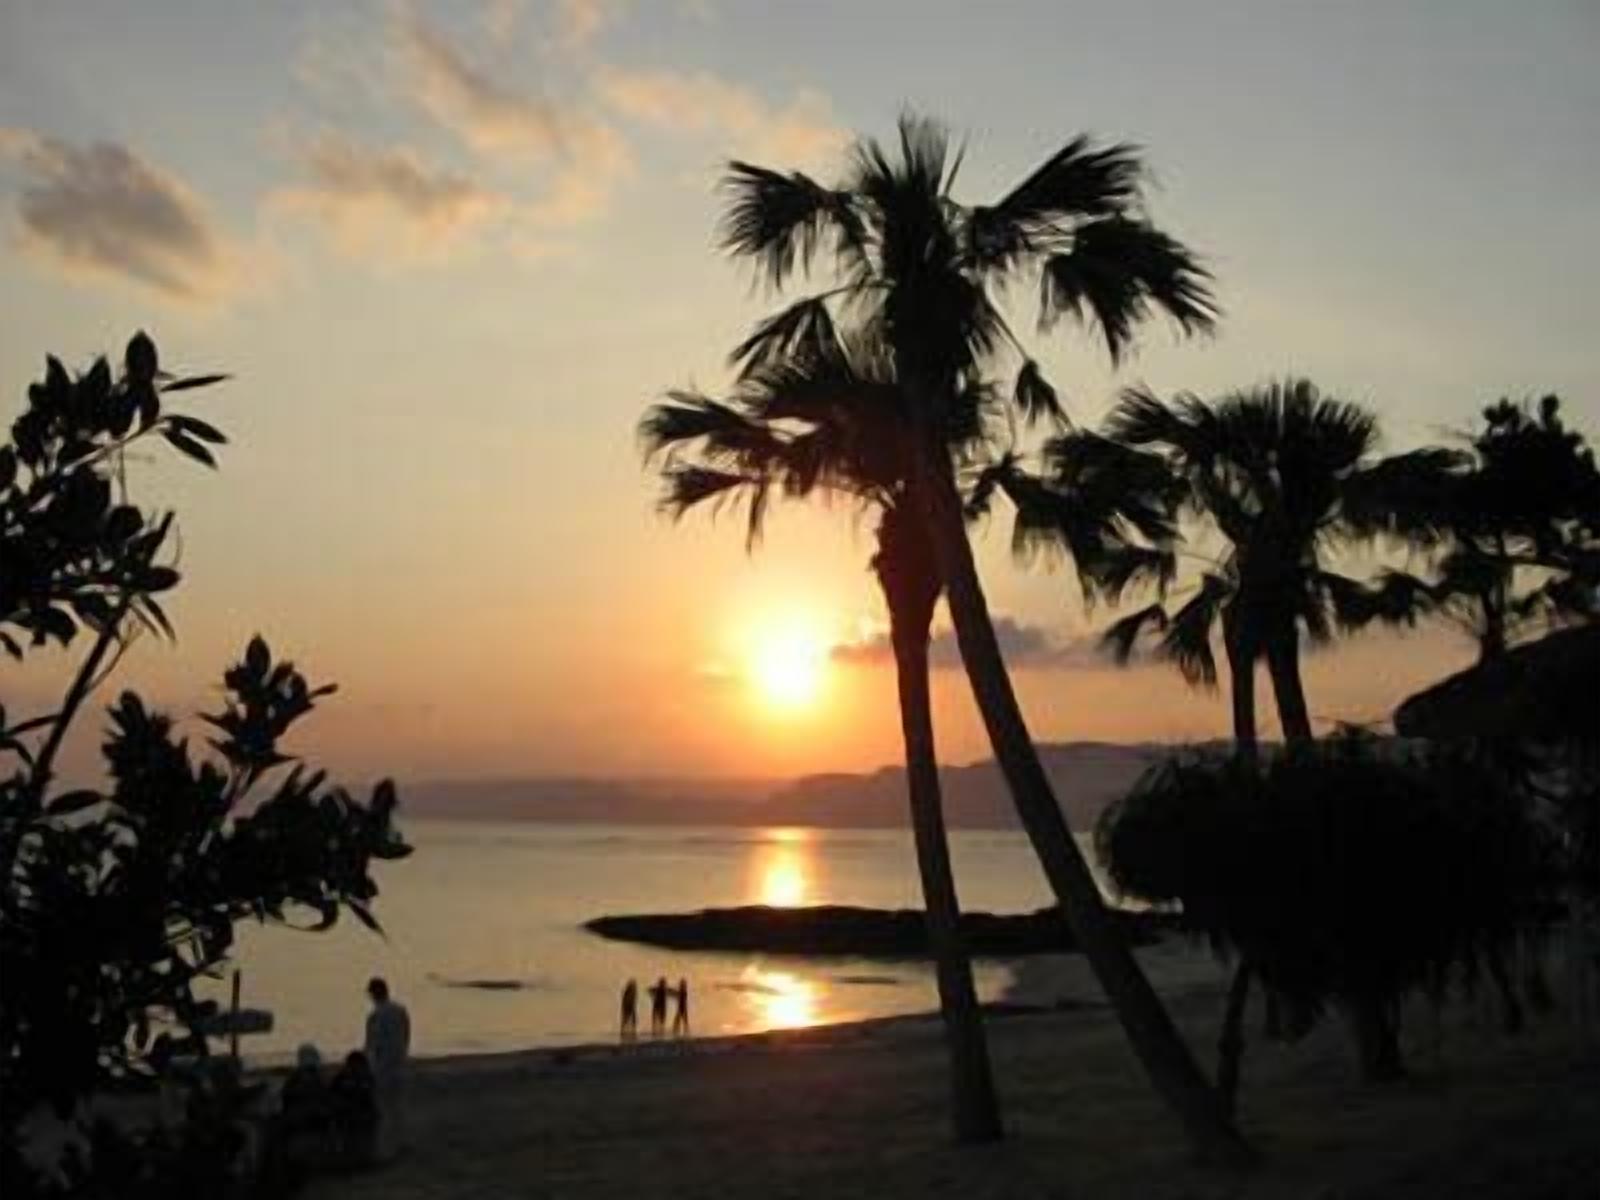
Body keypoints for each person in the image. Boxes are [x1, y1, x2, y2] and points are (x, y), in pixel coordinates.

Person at [363, 977, 411, 1160]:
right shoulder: (401, 1010)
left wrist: (366, 1065)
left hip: (382, 1066)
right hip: (399, 1063)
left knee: (382, 1107)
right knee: (397, 1106)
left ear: (374, 994)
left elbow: (370, 1045)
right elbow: (406, 1036)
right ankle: (400, 1142)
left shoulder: (375, 1016)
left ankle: (385, 1145)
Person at [329, 1050, 378, 1167]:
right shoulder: (341, 1078)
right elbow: (331, 1096)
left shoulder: (367, 1079)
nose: (356, 1068)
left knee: (370, 1122)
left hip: (361, 1114)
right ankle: (346, 1153)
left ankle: (367, 1153)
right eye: (353, 1065)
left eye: (359, 1065)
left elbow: (370, 1099)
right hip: (345, 1114)